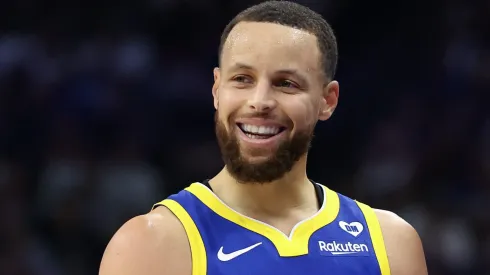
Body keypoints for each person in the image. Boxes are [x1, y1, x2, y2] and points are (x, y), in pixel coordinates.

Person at [99, 1, 428, 275]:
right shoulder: (151, 244)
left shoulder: (390, 244)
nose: (259, 102)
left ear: (327, 101)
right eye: (242, 79)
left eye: (286, 83)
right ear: (216, 89)